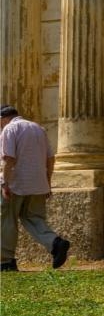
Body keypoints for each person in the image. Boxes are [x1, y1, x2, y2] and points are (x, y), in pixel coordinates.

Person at [1, 105, 71, 272]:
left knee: (6, 221)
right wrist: (47, 183)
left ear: (3, 119)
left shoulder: (9, 129)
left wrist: (4, 183)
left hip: (16, 184)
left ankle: (5, 261)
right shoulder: (38, 128)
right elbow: (50, 159)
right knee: (34, 218)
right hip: (38, 183)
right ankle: (55, 243)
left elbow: (9, 159)